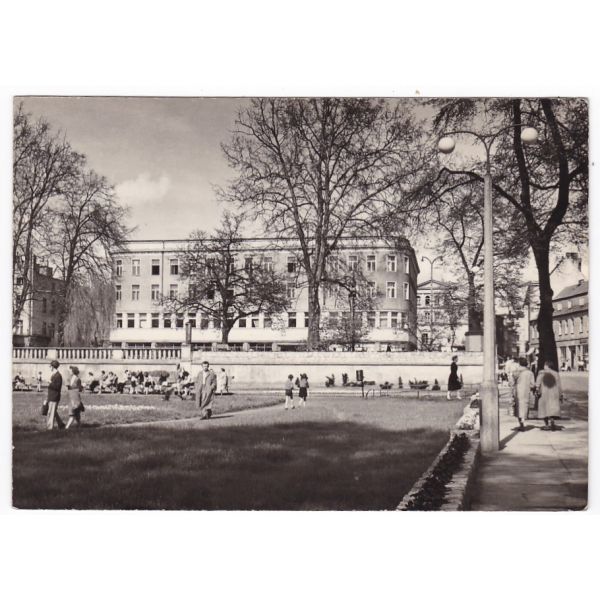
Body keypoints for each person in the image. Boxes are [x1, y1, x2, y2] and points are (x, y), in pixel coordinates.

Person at [536, 360, 563, 431]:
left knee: (544, 408)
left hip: (544, 393)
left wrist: (537, 390)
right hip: (554, 393)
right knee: (552, 408)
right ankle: (552, 419)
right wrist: (560, 394)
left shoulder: (541, 373)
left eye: (544, 365)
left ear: (546, 365)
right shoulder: (556, 373)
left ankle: (546, 424)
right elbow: (559, 385)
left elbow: (538, 383)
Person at [513, 357, 535, 431]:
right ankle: (523, 420)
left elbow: (511, 382)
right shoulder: (530, 373)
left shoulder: (516, 372)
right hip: (526, 391)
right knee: (524, 406)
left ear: (519, 363)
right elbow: (532, 384)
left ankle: (521, 423)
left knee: (518, 406)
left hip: (517, 391)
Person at [46, 360, 65, 430]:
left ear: (53, 367)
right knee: (53, 412)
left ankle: (50, 428)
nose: (49, 368)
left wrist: (50, 383)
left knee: (50, 412)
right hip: (51, 395)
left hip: (54, 396)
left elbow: (57, 387)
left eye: (50, 366)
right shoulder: (54, 374)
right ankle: (61, 425)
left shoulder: (58, 375)